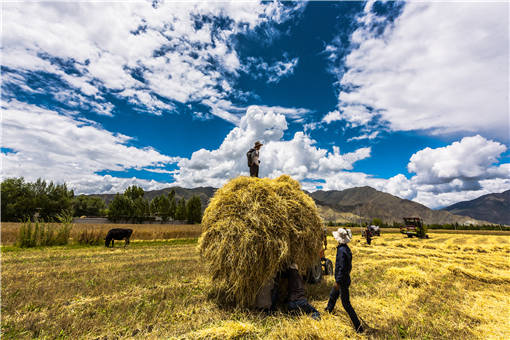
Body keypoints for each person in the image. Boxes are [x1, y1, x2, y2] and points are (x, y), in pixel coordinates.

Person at [325, 228, 364, 333]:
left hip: (342, 280)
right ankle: (327, 311)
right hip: (344, 278)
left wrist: (338, 281)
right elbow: (348, 267)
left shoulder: (342, 251)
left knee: (346, 304)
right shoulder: (346, 249)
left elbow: (342, 267)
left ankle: (359, 327)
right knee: (333, 295)